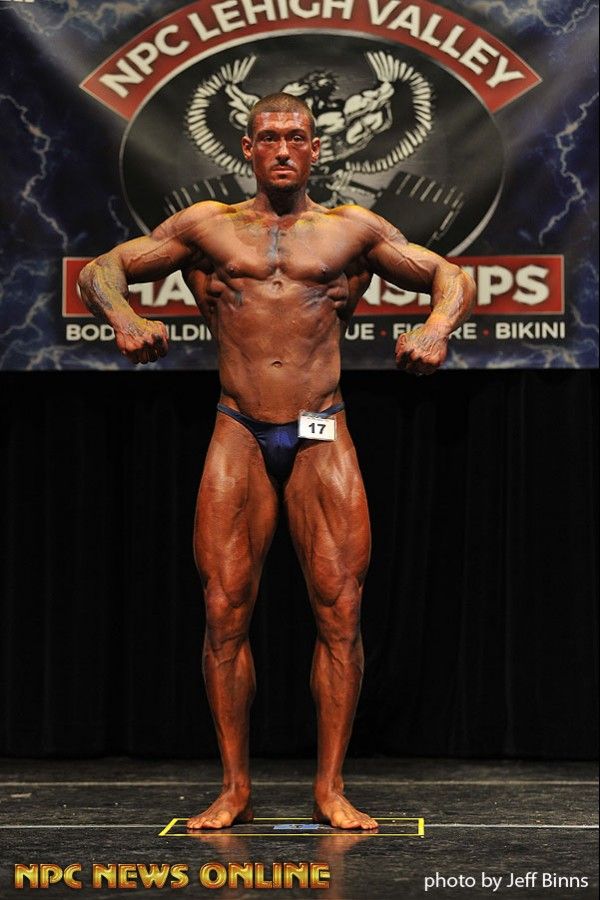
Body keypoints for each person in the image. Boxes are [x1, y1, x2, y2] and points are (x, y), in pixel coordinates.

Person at [78, 92, 476, 831]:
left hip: (321, 427)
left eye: (296, 137)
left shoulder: (351, 230)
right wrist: (125, 316)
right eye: (269, 137)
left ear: (317, 148)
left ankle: (330, 787)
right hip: (239, 428)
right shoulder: (207, 227)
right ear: (247, 147)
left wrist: (436, 329)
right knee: (223, 613)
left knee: (341, 612)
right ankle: (235, 787)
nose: (283, 149)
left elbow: (450, 275)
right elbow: (103, 269)